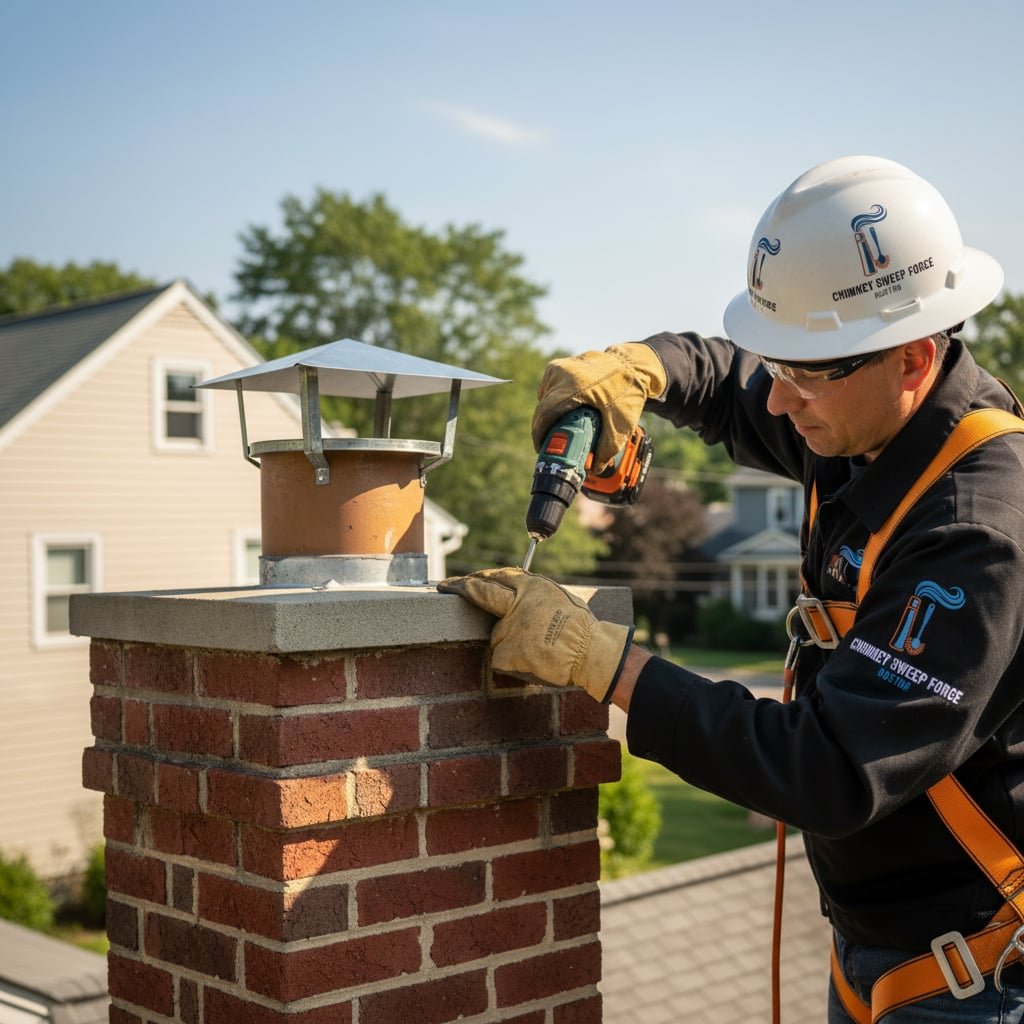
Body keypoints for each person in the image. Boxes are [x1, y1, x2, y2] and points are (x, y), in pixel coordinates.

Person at [439, 155, 1024, 1022]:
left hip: (970, 979)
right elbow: (724, 379)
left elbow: (827, 769)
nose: (779, 403)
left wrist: (605, 666)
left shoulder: (978, 530)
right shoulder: (858, 425)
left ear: (913, 358)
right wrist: (641, 367)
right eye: (779, 361)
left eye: (805, 373)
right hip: (876, 953)